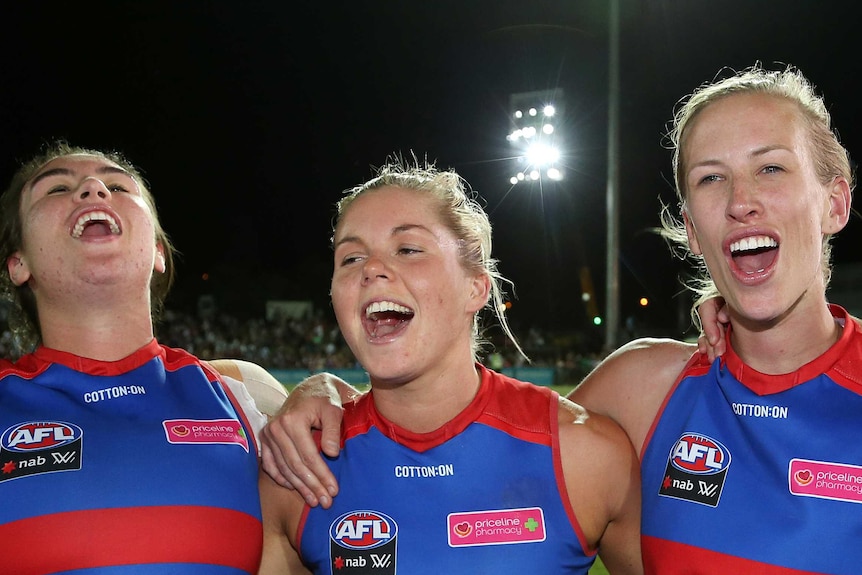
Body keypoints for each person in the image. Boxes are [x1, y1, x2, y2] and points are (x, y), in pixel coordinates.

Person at [261, 63, 861, 574]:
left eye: (771, 168)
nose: (739, 200)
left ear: (835, 202)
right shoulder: (642, 388)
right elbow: (486, 428)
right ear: (693, 228)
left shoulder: (595, 440)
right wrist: (322, 391)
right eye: (711, 178)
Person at [257, 159, 643, 574]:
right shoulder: (297, 475)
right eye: (350, 258)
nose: (370, 269)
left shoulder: (585, 455)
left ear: (476, 287)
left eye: (407, 249)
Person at [0, 142, 274, 573]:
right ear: (18, 263)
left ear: (159, 252)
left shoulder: (245, 399)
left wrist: (327, 390)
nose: (92, 188)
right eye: (55, 189)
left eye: (117, 185)